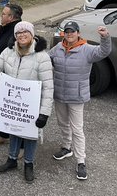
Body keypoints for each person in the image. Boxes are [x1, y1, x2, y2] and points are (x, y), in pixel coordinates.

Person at [0, 21, 52, 183]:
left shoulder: (42, 57)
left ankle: (28, 164)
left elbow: (48, 87)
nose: (22, 35)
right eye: (18, 33)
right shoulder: (8, 52)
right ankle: (11, 160)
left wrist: (44, 113)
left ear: (32, 35)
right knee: (13, 130)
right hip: (13, 103)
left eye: (26, 32)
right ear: (15, 36)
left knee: (30, 135)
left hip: (31, 105)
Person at [47, 20, 112, 181]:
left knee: (77, 129)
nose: (69, 34)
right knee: (63, 123)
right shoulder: (58, 48)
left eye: (72, 31)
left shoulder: (87, 49)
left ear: (78, 33)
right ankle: (66, 147)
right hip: (60, 94)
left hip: (76, 96)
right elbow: (45, 60)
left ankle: (81, 161)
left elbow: (104, 51)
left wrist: (105, 37)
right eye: (67, 32)